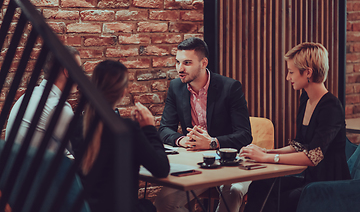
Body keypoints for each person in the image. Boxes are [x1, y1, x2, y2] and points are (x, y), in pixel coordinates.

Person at [240, 42, 351, 212]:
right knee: (260, 185)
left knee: (281, 201)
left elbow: (313, 156)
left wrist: (267, 158)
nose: (287, 77)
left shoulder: (331, 107)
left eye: (291, 72)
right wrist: (267, 152)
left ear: (308, 72)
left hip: (330, 184)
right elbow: (299, 144)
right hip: (310, 178)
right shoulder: (305, 99)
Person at [155, 37, 252, 212]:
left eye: (187, 63)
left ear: (203, 62)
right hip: (198, 163)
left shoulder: (230, 88)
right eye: (177, 62)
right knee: (164, 202)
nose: (180, 68)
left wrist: (212, 142)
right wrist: (182, 140)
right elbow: (164, 129)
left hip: (230, 160)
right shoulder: (176, 87)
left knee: (233, 193)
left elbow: (244, 135)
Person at [78, 60, 170, 212]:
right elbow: (161, 169)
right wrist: (149, 128)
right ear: (123, 91)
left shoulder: (79, 126)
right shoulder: (124, 129)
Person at [5, 46, 81, 152]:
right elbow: (83, 151)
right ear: (67, 72)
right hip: (37, 167)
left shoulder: (28, 95)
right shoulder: (56, 107)